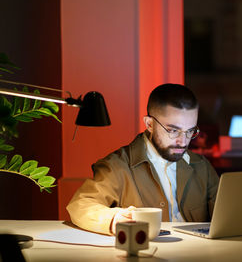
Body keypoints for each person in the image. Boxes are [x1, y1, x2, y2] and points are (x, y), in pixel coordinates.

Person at [67, 83, 220, 235]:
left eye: (190, 131)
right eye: (173, 130)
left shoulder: (201, 166)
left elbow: (227, 213)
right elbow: (80, 205)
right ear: (149, 124)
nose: (183, 141)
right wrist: (114, 219)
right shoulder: (117, 166)